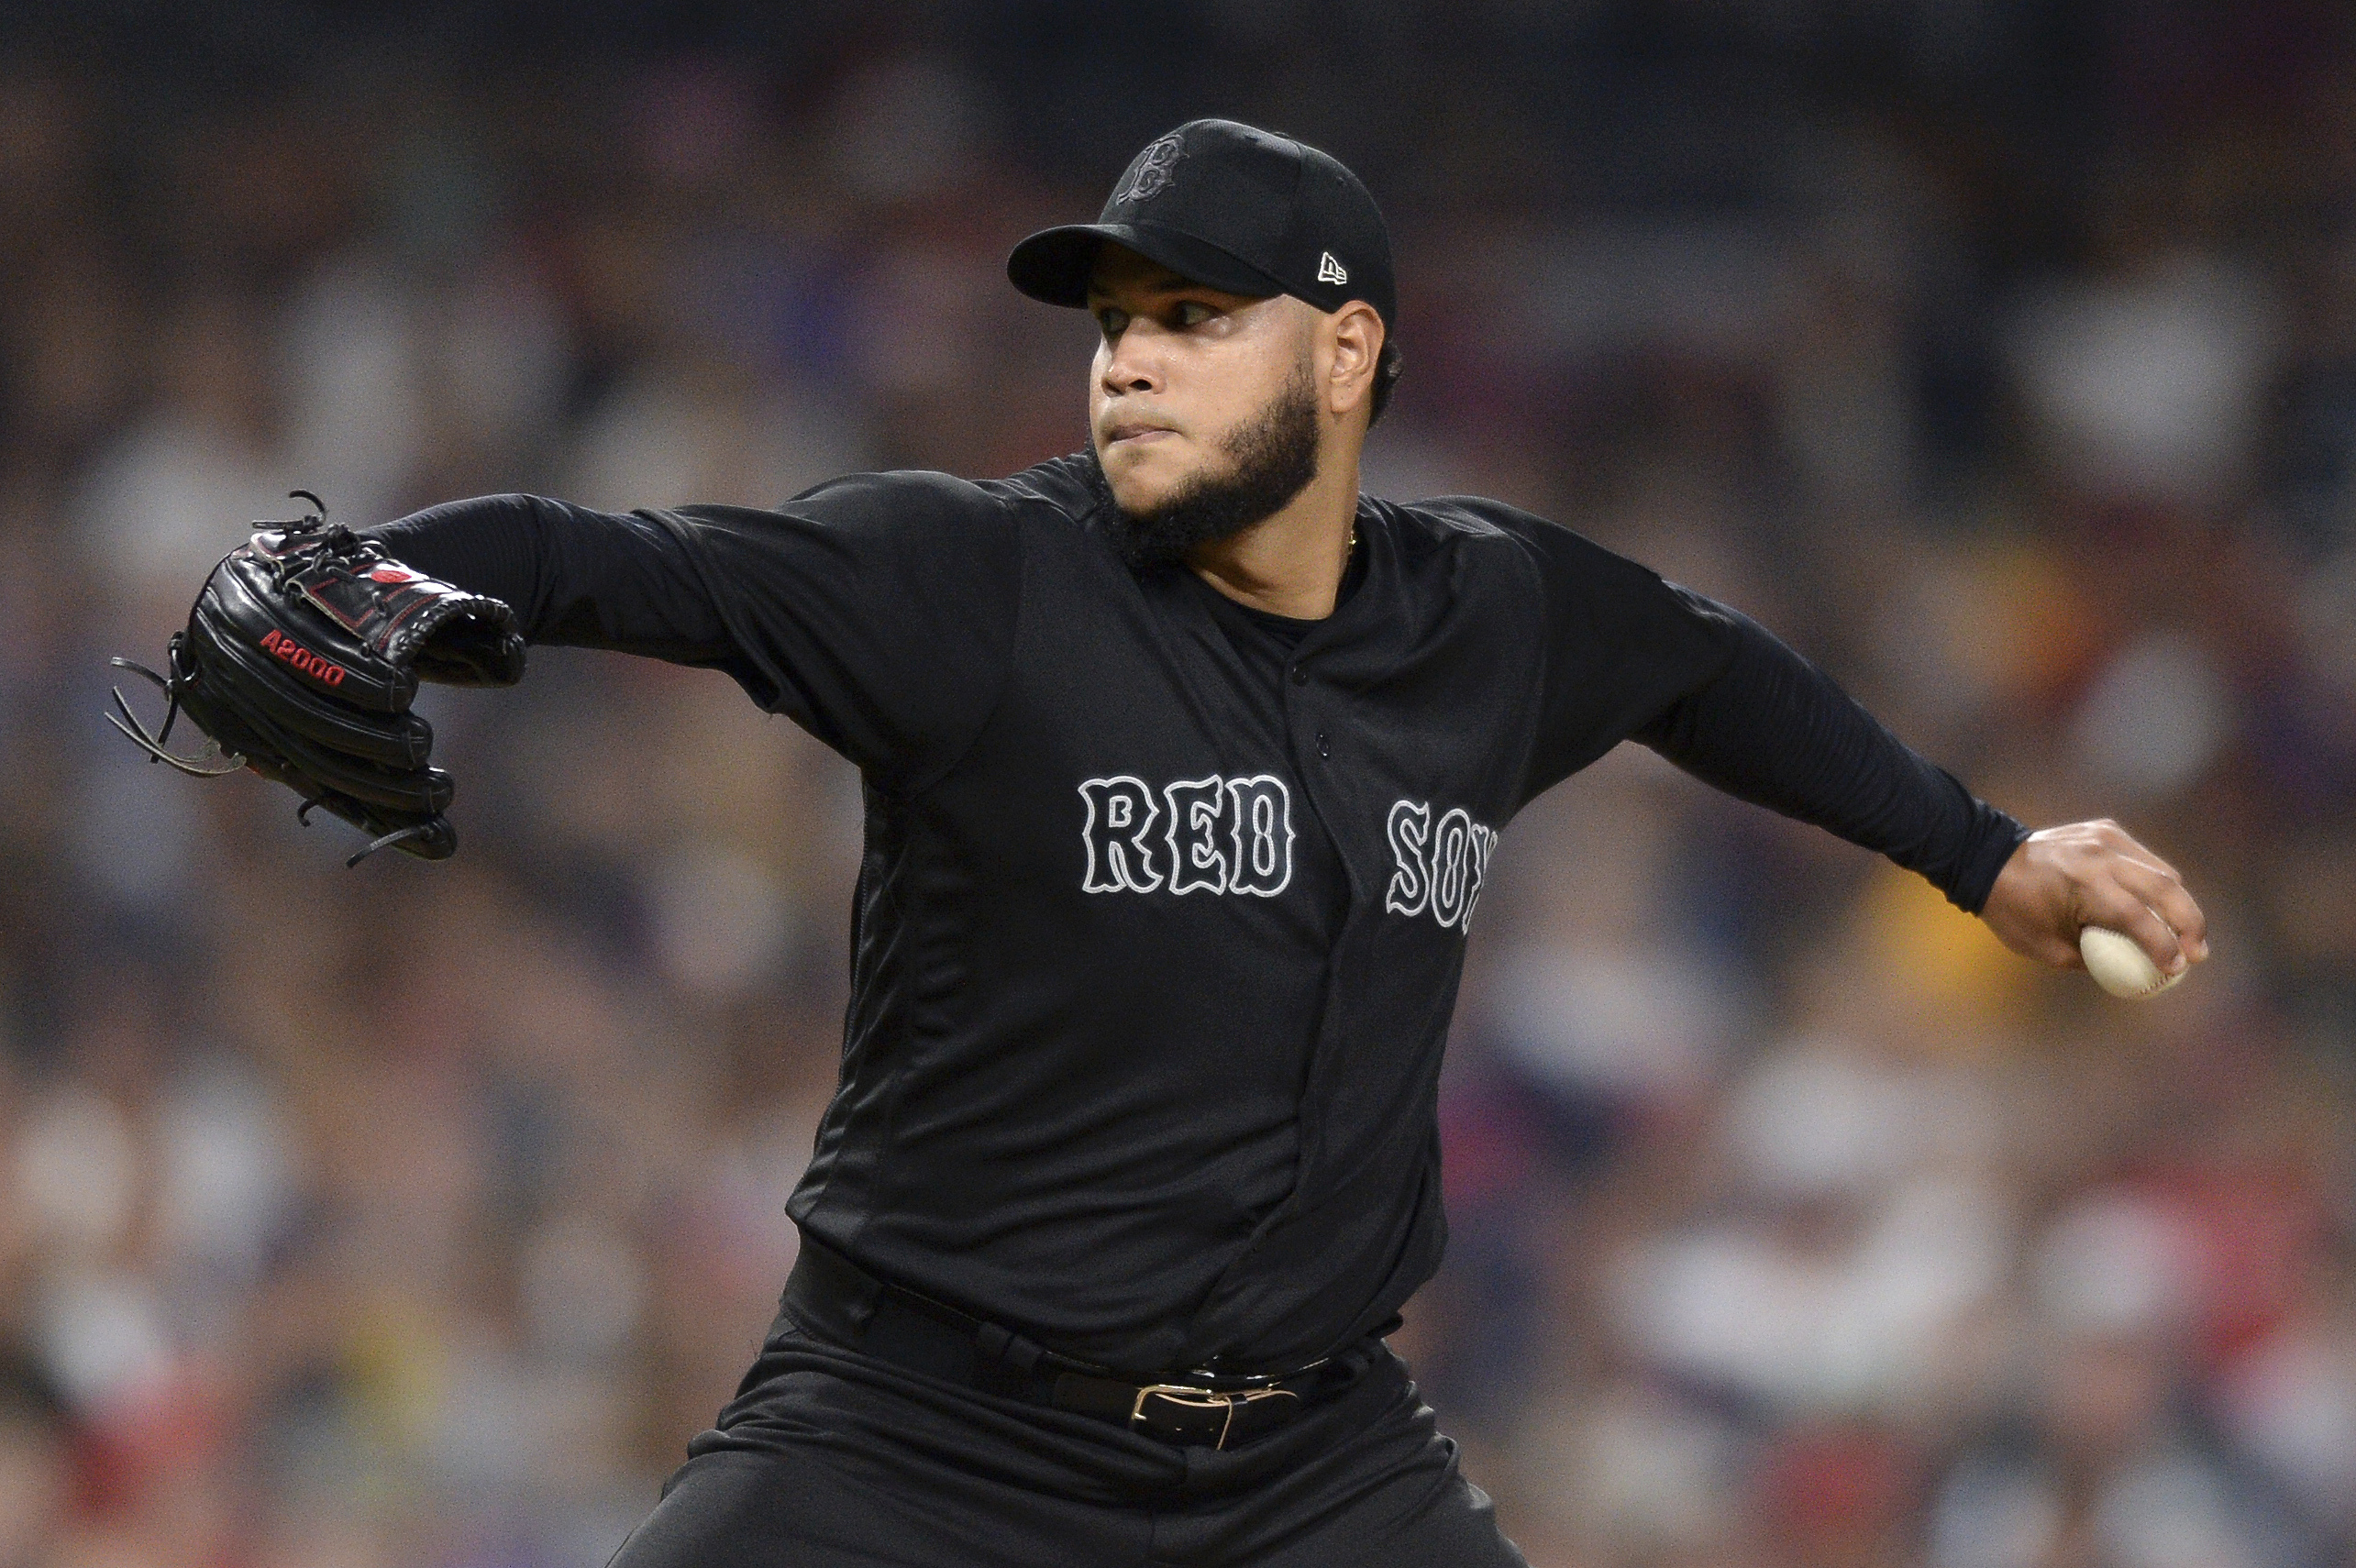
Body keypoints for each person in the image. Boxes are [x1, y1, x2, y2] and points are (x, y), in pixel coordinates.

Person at [359, 119, 2207, 1566]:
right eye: (1112, 324)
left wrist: (1984, 855)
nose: (1127, 367)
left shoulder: (1487, 614)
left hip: (1309, 1469)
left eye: (1191, 319)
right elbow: (637, 565)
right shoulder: (978, 577)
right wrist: (360, 577)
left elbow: (1708, 673)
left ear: (1343, 353)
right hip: (918, 1442)